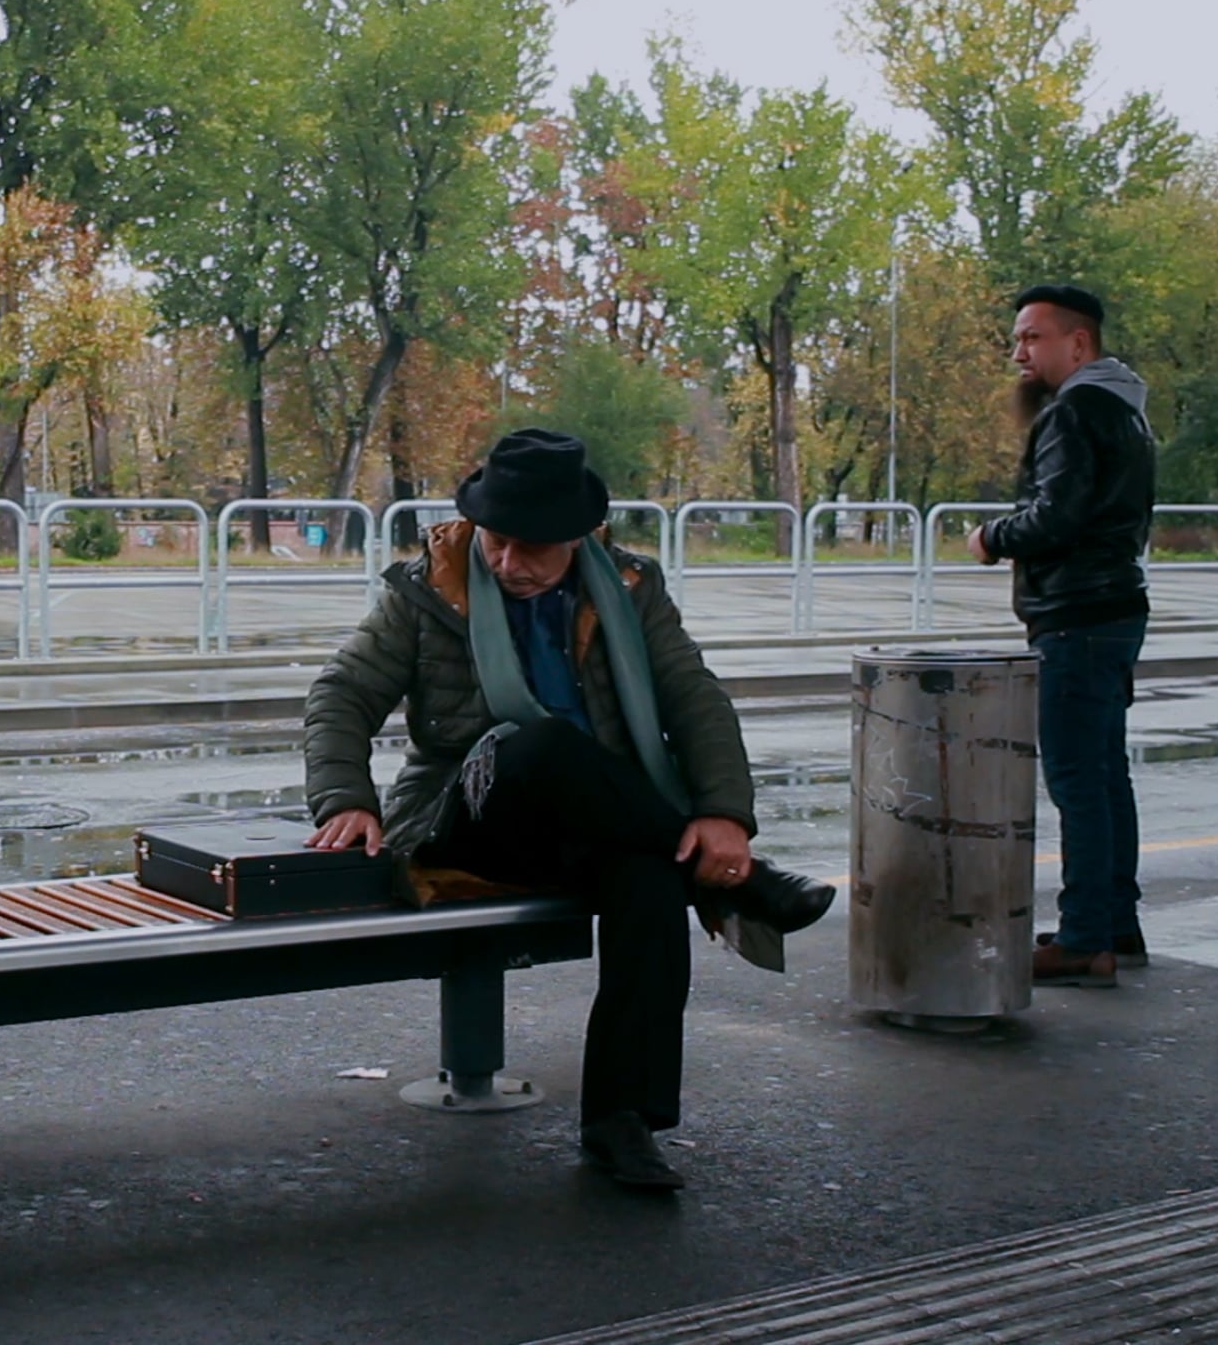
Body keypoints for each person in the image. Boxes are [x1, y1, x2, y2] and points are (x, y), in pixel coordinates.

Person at [302, 429, 834, 1190]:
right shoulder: (428, 588)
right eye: (496, 541)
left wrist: (723, 814)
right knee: (540, 742)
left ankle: (623, 1122)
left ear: (579, 537)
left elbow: (694, 698)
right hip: (469, 815)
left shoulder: (630, 588)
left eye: (532, 549)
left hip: (598, 816)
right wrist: (346, 799)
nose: (507, 563)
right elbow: (341, 692)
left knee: (651, 881)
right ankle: (745, 882)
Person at [968, 285, 1156, 989]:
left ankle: (1084, 940)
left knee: (1077, 781)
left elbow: (1057, 515)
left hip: (1076, 615)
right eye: (1017, 338)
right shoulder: (1124, 410)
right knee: (1105, 775)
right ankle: (1114, 922)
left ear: (1078, 344)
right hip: (1114, 609)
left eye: (1032, 338)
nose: (1019, 353)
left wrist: (991, 537)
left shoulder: (1073, 411)